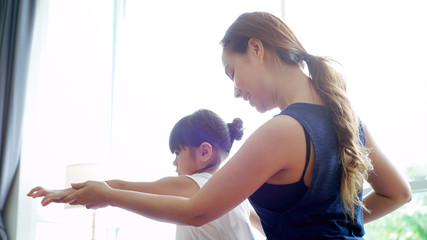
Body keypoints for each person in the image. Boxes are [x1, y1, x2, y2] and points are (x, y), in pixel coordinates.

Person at [29, 12, 411, 239]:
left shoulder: (283, 131)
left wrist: (109, 195)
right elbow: (398, 195)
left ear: (257, 49)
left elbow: (197, 210)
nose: (235, 91)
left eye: (233, 72)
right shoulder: (348, 118)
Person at [28, 109, 263, 240]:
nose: (174, 163)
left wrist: (66, 192)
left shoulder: (193, 184)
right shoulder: (237, 196)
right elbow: (264, 224)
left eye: (177, 153)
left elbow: (121, 186)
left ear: (204, 152)